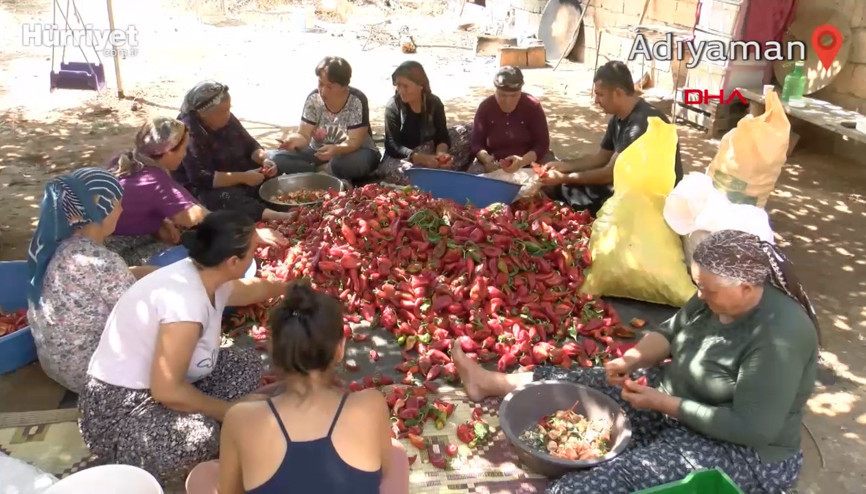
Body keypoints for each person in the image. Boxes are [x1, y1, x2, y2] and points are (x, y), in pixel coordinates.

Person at [451, 230, 820, 494]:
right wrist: (632, 358)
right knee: (585, 383)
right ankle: (489, 383)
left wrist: (663, 403)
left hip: (741, 450)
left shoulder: (779, 336)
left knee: (604, 481)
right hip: (672, 398)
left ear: (747, 288)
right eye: (698, 287)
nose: (700, 296)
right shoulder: (713, 296)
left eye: (708, 290)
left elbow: (752, 429)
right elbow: (672, 331)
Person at [78, 210, 287, 482]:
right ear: (233, 261)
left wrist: (288, 288)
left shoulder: (206, 274)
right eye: (251, 253)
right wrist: (230, 413)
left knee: (244, 365)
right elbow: (166, 390)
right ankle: (143, 451)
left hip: (161, 386)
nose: (254, 257)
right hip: (122, 409)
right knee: (200, 440)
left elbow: (249, 289)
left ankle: (209, 414)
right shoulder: (185, 305)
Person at [215, 281, 409, 493]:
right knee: (397, 453)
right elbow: (385, 470)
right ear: (340, 349)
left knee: (203, 475)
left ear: (273, 350)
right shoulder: (370, 405)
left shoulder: (240, 419)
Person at [26, 168, 157, 394]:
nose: (122, 210)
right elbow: (140, 319)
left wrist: (152, 272)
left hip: (55, 365)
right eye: (118, 204)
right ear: (102, 211)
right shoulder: (102, 261)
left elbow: (104, 281)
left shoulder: (58, 246)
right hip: (90, 374)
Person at [105, 117, 289, 266]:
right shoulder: (155, 182)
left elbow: (136, 206)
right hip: (119, 252)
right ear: (168, 152)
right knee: (211, 260)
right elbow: (202, 217)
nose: (185, 155)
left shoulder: (129, 159)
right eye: (184, 149)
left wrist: (161, 224)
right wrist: (252, 235)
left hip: (114, 238)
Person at [540, 61, 684, 215]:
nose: (596, 100)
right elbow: (600, 158)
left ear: (618, 93)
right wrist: (564, 167)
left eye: (600, 94)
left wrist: (563, 178)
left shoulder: (642, 123)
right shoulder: (618, 118)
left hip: (650, 197)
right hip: (628, 185)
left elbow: (609, 173)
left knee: (571, 190)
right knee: (569, 187)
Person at [171, 81, 291, 222]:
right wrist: (244, 177)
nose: (228, 115)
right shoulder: (190, 131)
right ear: (203, 114)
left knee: (280, 163)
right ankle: (271, 215)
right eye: (222, 112)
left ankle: (274, 200)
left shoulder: (227, 119)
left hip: (237, 170)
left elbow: (250, 145)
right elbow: (201, 177)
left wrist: (264, 159)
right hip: (208, 187)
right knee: (224, 198)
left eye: (228, 109)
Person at [271, 57, 381, 182]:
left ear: (344, 86)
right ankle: (323, 173)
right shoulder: (314, 99)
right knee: (276, 157)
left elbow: (354, 142)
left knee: (355, 162)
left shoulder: (357, 100)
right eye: (320, 84)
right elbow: (304, 134)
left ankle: (318, 173)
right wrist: (293, 140)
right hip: (318, 152)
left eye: (330, 87)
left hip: (352, 153)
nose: (323, 91)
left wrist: (336, 150)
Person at [377, 61, 473, 185]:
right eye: (398, 85)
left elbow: (442, 135)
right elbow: (393, 145)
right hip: (403, 157)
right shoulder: (393, 106)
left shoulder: (434, 103)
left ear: (420, 85)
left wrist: (441, 154)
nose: (400, 90)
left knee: (467, 132)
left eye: (405, 86)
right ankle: (431, 175)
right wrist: (419, 158)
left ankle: (434, 171)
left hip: (430, 151)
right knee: (404, 173)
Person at [466, 66, 554, 175]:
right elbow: (476, 143)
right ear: (495, 91)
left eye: (514, 96)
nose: (507, 101)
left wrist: (522, 161)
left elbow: (542, 144)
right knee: (473, 181)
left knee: (551, 177)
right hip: (495, 161)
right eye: (502, 95)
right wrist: (486, 158)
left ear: (521, 92)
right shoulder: (486, 107)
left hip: (529, 159)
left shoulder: (532, 106)